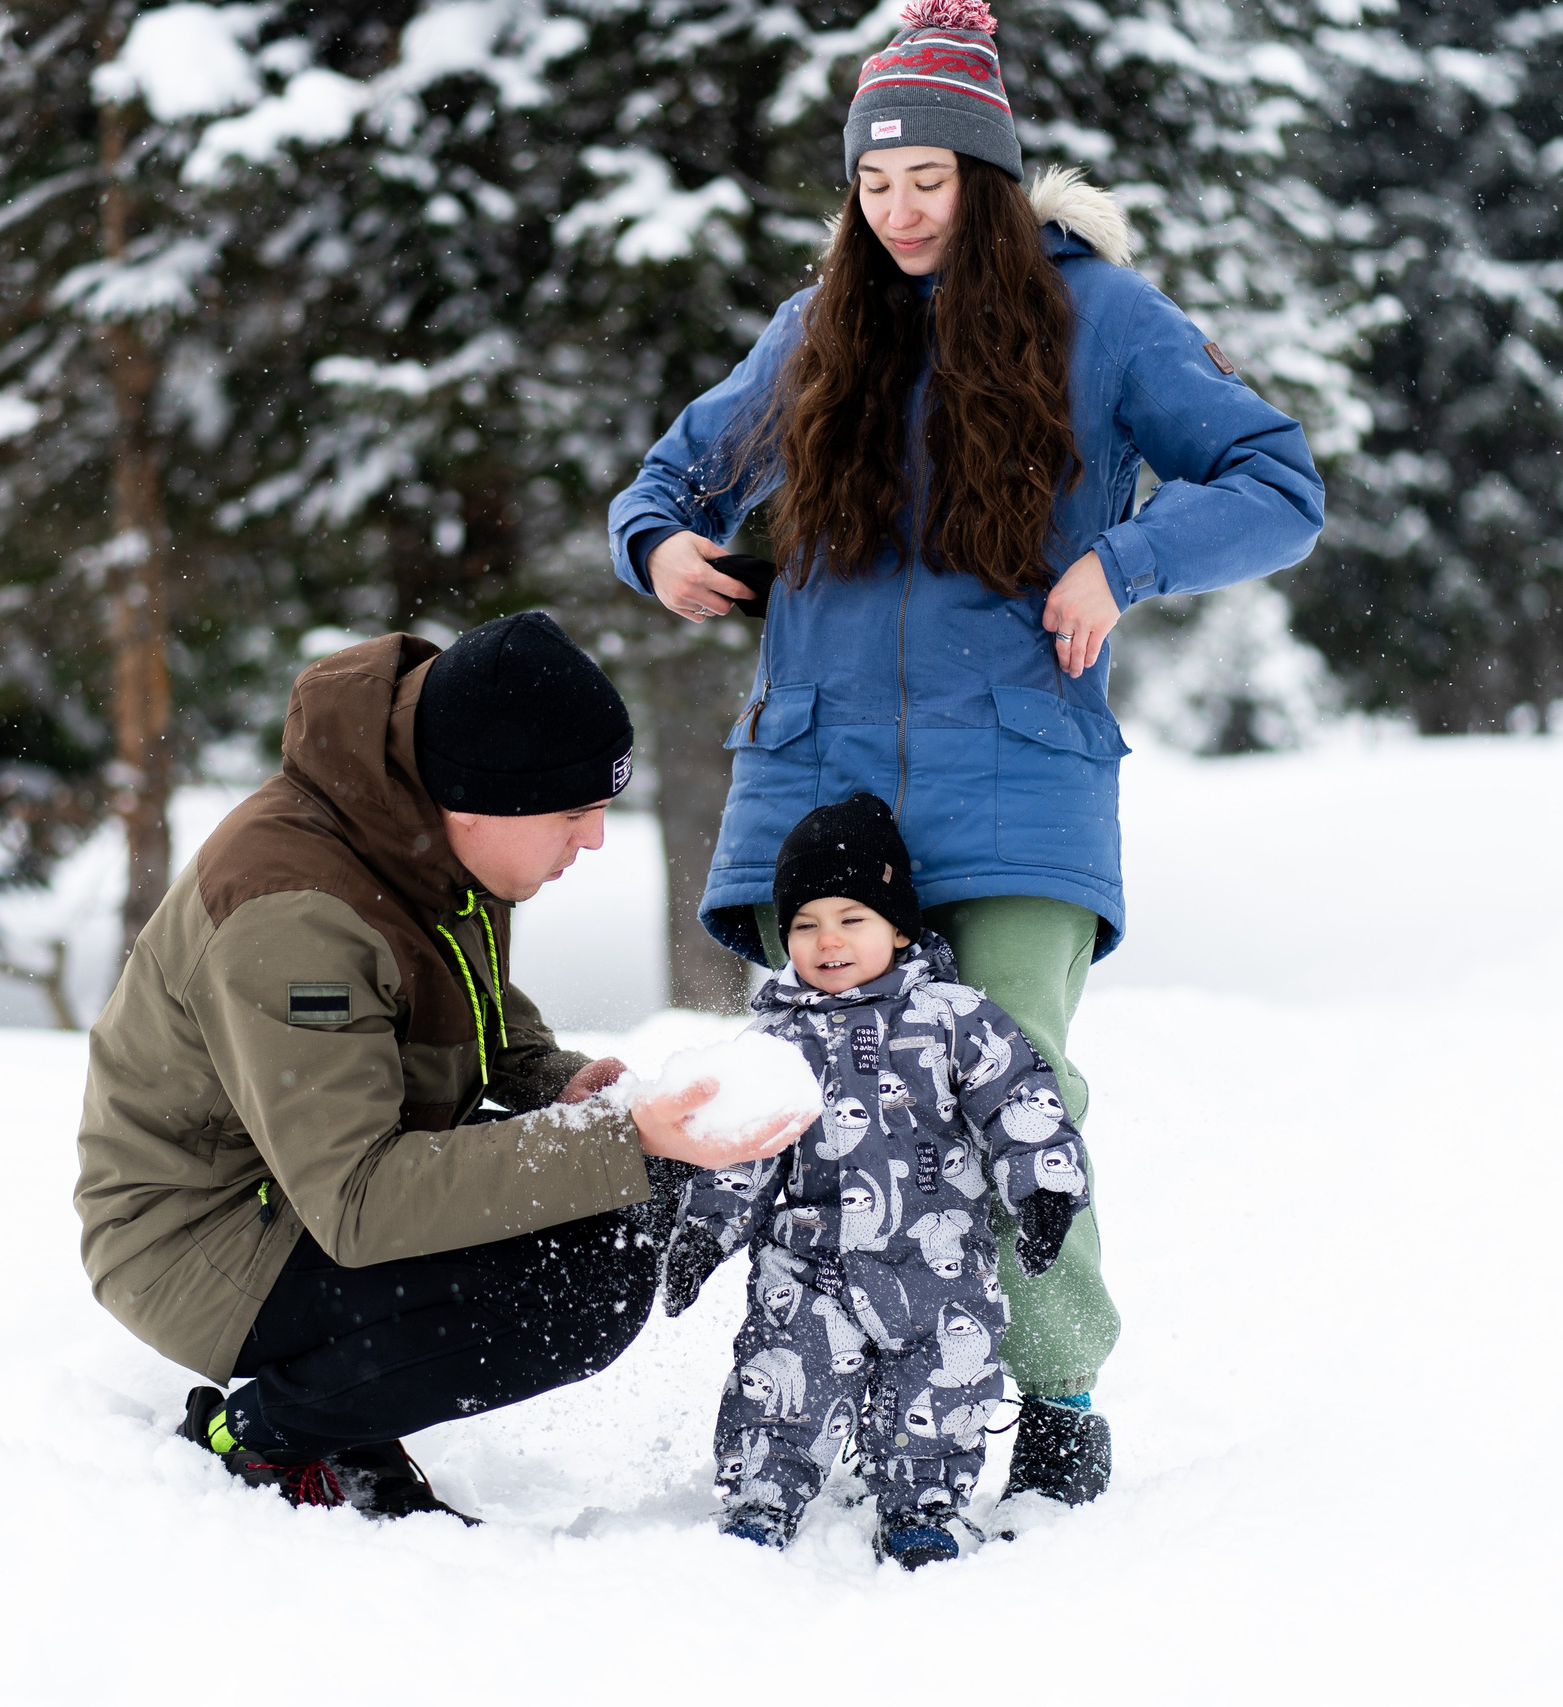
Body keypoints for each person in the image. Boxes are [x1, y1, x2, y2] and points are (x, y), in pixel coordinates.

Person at [604, 0, 1324, 1501]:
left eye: (930, 179)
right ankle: (829, 1392)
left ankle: (1054, 1390)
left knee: (1015, 1087)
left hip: (1018, 776)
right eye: (875, 184)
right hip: (820, 779)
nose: (902, 210)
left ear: (989, 177)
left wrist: (1123, 562)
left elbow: (1278, 479)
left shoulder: (1103, 317)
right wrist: (660, 544)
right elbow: (673, 476)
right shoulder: (817, 328)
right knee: (815, 1104)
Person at [74, 613, 810, 1519]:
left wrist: (556, 1081)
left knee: (628, 1204)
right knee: (582, 1287)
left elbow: (466, 994)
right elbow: (358, 1199)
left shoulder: (419, 823)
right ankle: (262, 1435)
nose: (594, 842)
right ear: (480, 802)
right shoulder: (296, 916)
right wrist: (612, 1135)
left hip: (302, 1186)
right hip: (204, 1234)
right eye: (573, 813)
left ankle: (342, 1409)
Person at [664, 793, 1087, 1567]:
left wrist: (1045, 1188)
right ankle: (761, 1499)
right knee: (780, 1383)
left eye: (851, 919)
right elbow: (742, 1152)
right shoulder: (774, 1039)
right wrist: (704, 1232)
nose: (827, 941)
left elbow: (1019, 1098)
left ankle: (924, 1506)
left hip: (939, 1261)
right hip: (809, 1265)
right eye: (804, 924)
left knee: (942, 1391)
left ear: (897, 927)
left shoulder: (957, 1017)